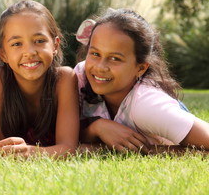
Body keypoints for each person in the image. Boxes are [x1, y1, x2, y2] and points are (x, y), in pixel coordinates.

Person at [74, 8, 209, 154]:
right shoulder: (81, 76)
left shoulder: (147, 106)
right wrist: (96, 128)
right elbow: (56, 137)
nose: (100, 67)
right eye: (95, 53)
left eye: (115, 58)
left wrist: (150, 150)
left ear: (141, 68)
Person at [0, 0, 79, 158]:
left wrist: (31, 152)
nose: (29, 52)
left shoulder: (64, 79)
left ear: (55, 46)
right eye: (16, 44)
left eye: (39, 41)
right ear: (3, 54)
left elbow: (68, 148)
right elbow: (0, 146)